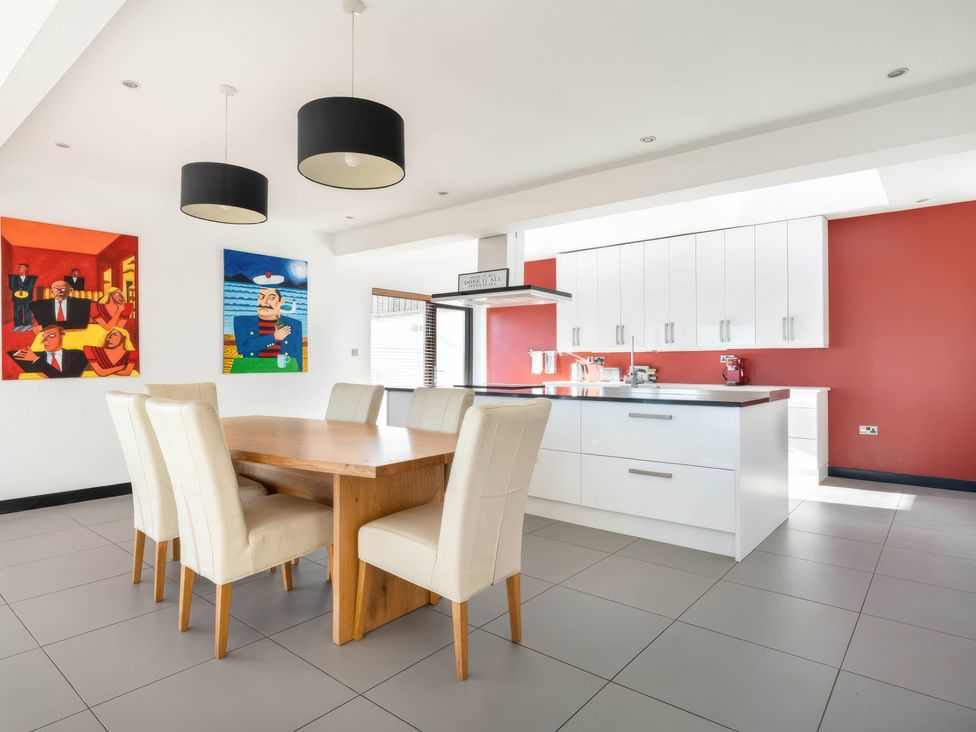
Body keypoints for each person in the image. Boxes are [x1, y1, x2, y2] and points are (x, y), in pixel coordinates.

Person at [233, 286, 302, 371]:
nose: (264, 302)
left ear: (281, 301)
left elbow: (297, 363)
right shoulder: (243, 322)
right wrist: (273, 338)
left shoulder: (294, 325)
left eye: (271, 298)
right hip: (253, 373)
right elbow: (243, 348)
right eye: (261, 297)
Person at [8, 324, 87, 378]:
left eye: (51, 335)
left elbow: (64, 378)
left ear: (61, 336)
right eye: (43, 336)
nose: (44, 341)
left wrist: (36, 360)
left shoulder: (79, 355)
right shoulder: (31, 356)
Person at [7, 263, 37, 332]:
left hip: (28, 298)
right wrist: (18, 292)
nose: (20, 268)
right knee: (17, 311)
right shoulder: (14, 278)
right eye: (19, 267)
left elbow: (30, 288)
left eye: (22, 267)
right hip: (17, 298)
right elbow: (11, 287)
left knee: (27, 311)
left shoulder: (31, 279)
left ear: (26, 268)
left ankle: (27, 324)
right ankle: (18, 324)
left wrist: (24, 292)